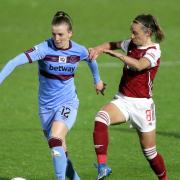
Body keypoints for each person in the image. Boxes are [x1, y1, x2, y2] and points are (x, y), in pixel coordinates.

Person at [0, 11, 105, 180]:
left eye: (61, 34)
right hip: (46, 107)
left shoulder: (79, 50)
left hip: (68, 102)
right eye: (54, 34)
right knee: (60, 150)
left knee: (55, 138)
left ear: (70, 33)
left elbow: (91, 59)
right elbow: (13, 62)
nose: (57, 38)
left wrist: (97, 81)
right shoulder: (43, 49)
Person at [89, 14, 168, 180]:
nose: (132, 36)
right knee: (101, 118)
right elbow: (112, 44)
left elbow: (140, 65)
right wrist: (98, 49)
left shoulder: (153, 51)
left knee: (150, 153)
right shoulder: (131, 44)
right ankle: (103, 166)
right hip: (123, 100)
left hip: (142, 106)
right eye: (131, 32)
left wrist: (119, 56)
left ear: (147, 33)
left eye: (135, 33)